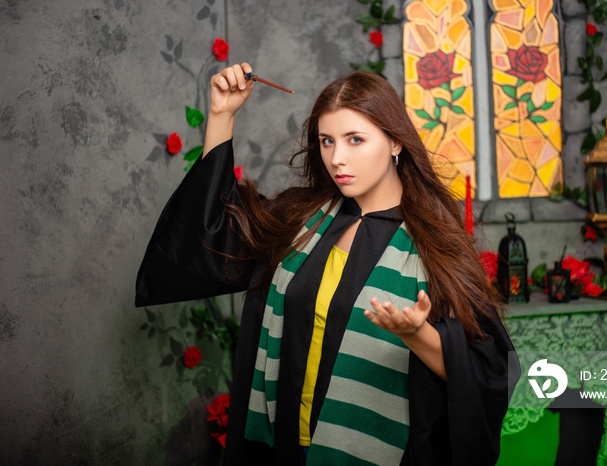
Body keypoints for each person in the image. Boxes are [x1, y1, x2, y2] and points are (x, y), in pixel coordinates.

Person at [136, 63, 517, 465]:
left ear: (395, 142)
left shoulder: (434, 244)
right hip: (284, 448)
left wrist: (418, 334)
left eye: (355, 139)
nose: (338, 158)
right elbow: (210, 233)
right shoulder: (301, 220)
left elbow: (486, 373)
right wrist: (222, 115)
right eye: (327, 141)